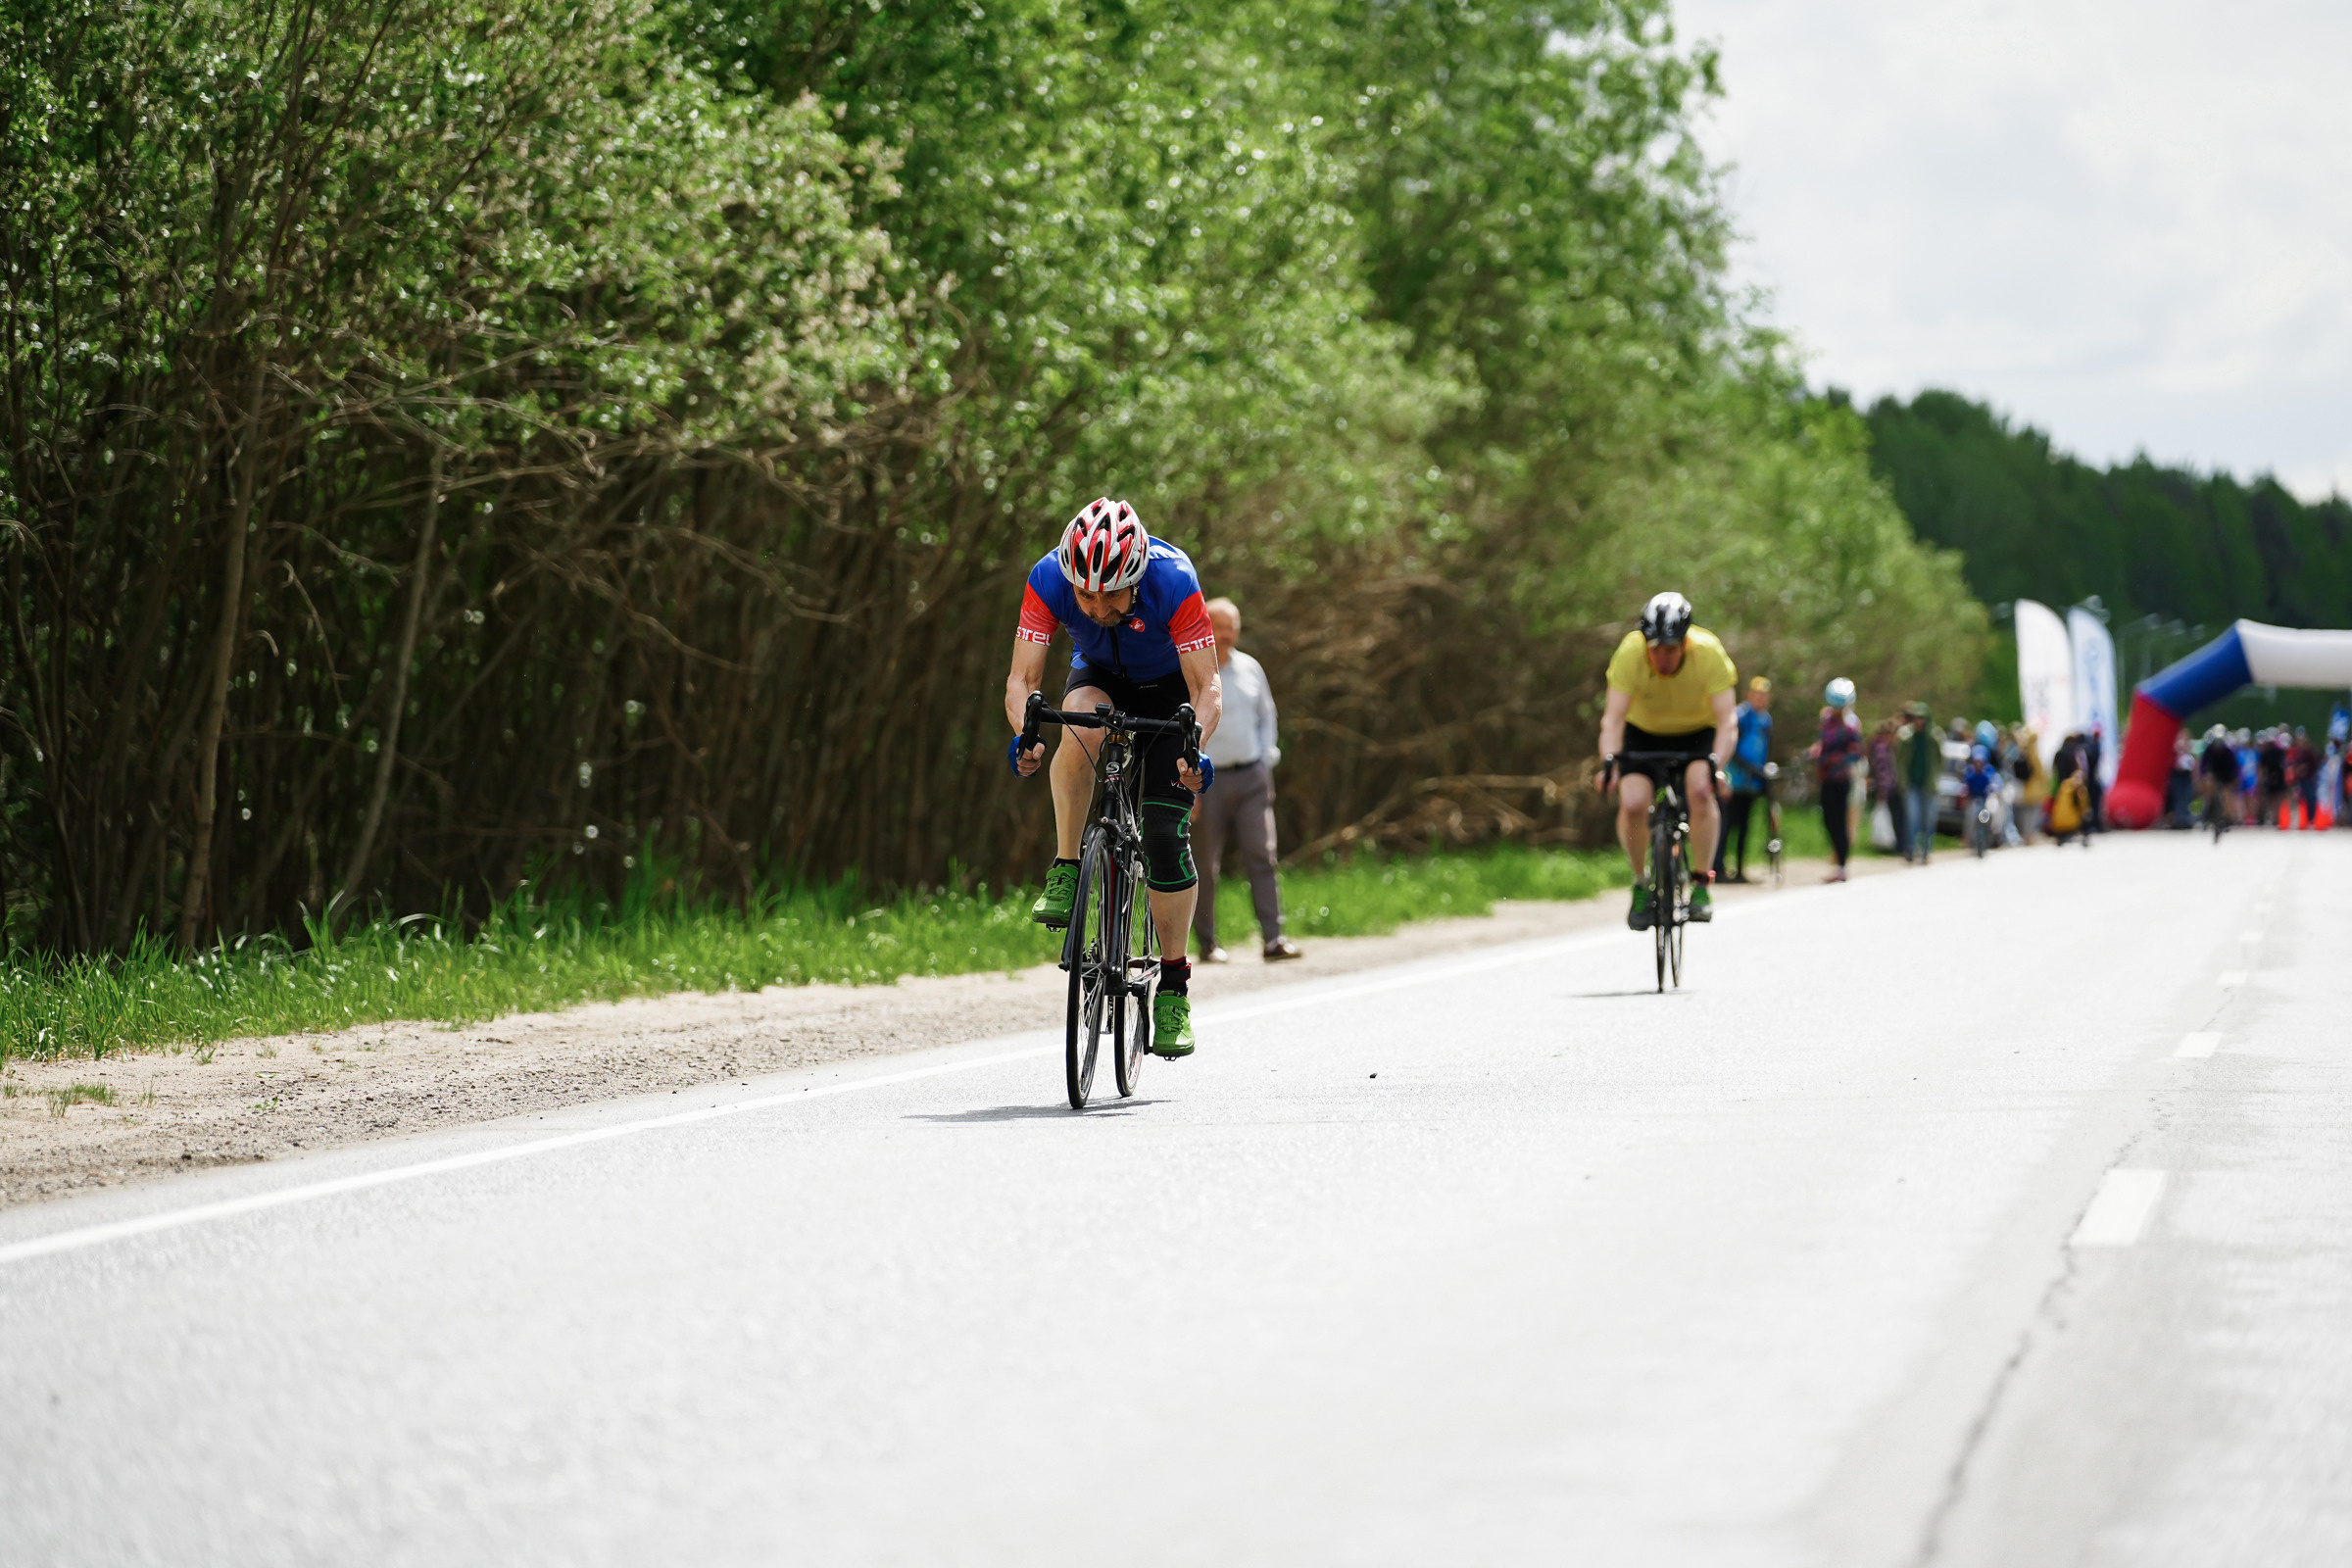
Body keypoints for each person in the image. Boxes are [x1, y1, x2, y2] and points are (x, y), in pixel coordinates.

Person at [1005, 498, 1222, 1057]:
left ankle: (1173, 988)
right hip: (1099, 677)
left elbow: (1207, 688)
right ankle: (1068, 865)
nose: (1097, 606)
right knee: (1079, 726)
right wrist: (1026, 733)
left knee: (1164, 836)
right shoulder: (1049, 576)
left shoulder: (1174, 580)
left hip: (1172, 692)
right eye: (1086, 595)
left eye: (1111, 594)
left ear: (1137, 577)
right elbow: (1022, 679)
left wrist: (1194, 746)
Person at [1597, 592, 1740, 930]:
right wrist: (1609, 764)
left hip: (1696, 734)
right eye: (1656, 649)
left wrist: (1717, 767)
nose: (1663, 658)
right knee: (1632, 804)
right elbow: (1613, 720)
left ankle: (1702, 885)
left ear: (1686, 643)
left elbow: (1728, 721)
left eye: (1672, 649)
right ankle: (1639, 882)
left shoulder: (1708, 652)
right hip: (1643, 733)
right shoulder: (1630, 653)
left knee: (1701, 791)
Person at [1192, 597, 1301, 963]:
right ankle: (1208, 943)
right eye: (1220, 626)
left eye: (1232, 626)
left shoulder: (1250, 667)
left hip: (1252, 775)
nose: (1227, 634)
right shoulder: (1194, 670)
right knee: (1205, 862)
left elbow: (1266, 714)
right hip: (1209, 780)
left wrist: (1267, 756)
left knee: (1262, 854)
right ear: (1206, 625)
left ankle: (1274, 939)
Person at [1715, 676, 1775, 882]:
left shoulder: (1765, 719)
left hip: (1752, 783)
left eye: (1764, 695)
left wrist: (1762, 774)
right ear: (1749, 695)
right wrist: (1751, 768)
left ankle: (1739, 870)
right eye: (1757, 694)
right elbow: (1731, 747)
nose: (1760, 698)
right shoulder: (1741, 716)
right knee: (1726, 825)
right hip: (1735, 780)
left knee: (1744, 826)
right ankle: (1718, 869)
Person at [1810, 678, 1862, 882]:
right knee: (1828, 820)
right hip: (1826, 778)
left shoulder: (1851, 725)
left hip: (1841, 779)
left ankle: (1842, 865)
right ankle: (1836, 859)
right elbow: (1822, 743)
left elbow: (1856, 752)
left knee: (1840, 821)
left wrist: (1833, 760)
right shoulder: (1826, 720)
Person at [1897, 703, 1942, 862]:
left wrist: (1936, 779)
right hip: (1911, 784)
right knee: (1912, 817)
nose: (1919, 722)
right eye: (1917, 718)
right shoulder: (1906, 736)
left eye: (1922, 718)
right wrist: (1902, 782)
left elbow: (1940, 760)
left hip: (1928, 784)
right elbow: (1900, 761)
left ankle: (1926, 850)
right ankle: (1911, 849)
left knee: (1928, 819)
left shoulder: (1935, 736)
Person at [2197, 723, 2239, 829]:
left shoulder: (2228, 752)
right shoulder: (2209, 750)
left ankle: (2227, 817)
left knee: (2227, 793)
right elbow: (2203, 766)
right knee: (2209, 785)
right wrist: (2204, 777)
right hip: (2214, 773)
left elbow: (2234, 768)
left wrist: (2233, 780)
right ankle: (2210, 806)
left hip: (2226, 774)